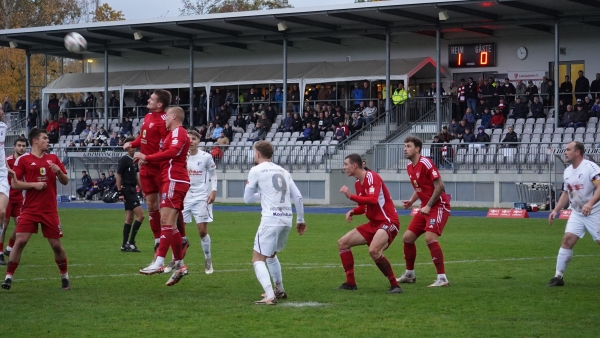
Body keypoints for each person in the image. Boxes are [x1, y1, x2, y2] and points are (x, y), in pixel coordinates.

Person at [2, 128, 70, 291]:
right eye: (45, 138)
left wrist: (59, 171)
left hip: (49, 210)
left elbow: (65, 181)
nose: (48, 141)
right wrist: (34, 185)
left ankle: (65, 276)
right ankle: (8, 277)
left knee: (55, 245)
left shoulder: (53, 158)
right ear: (35, 141)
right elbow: (15, 184)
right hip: (30, 209)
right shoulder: (23, 160)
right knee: (20, 242)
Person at [243, 140, 306, 305]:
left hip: (271, 219)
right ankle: (279, 289)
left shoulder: (256, 170)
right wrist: (301, 219)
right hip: (287, 218)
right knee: (271, 255)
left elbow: (247, 199)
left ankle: (270, 295)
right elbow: (298, 197)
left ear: (257, 153)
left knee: (257, 258)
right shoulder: (284, 171)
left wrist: (260, 195)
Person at [135, 107, 190, 287]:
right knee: (171, 224)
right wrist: (148, 158)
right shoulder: (172, 133)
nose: (164, 119)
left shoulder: (178, 132)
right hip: (171, 178)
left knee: (166, 221)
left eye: (167, 116)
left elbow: (173, 152)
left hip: (174, 179)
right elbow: (166, 154)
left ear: (174, 117)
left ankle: (159, 262)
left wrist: (148, 158)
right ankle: (180, 265)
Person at [337, 154, 402, 293]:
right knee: (343, 243)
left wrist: (350, 196)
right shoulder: (357, 183)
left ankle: (395, 285)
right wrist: (353, 211)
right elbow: (364, 206)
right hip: (374, 224)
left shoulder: (372, 177)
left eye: (346, 164)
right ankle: (350, 283)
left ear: (354, 166)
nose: (344, 167)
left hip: (388, 221)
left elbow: (373, 200)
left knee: (374, 251)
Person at [398, 136, 451, 288]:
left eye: (408, 146)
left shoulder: (426, 162)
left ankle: (442, 278)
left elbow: (440, 185)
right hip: (425, 207)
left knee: (430, 238)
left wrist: (428, 205)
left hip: (438, 206)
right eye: (405, 146)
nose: (405, 148)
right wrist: (411, 200)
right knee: (407, 238)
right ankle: (409, 274)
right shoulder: (410, 167)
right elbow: (419, 187)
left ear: (417, 148)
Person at [547, 141, 600, 287]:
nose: (565, 152)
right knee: (567, 240)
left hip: (595, 211)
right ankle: (558, 276)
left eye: (568, 149)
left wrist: (590, 203)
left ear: (577, 152)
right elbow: (566, 193)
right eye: (565, 150)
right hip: (577, 212)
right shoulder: (567, 171)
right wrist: (556, 210)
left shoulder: (590, 167)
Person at [124, 90, 170, 253]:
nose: (148, 100)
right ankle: (157, 240)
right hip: (145, 168)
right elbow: (143, 139)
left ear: (160, 104)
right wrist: (132, 144)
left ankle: (178, 237)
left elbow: (166, 146)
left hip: (160, 168)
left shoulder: (165, 120)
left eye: (152, 98)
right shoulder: (148, 117)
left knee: (167, 209)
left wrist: (148, 157)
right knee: (151, 205)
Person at [174, 130, 217, 275]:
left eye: (193, 139)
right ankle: (177, 260)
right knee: (178, 231)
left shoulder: (206, 157)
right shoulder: (181, 156)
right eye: (188, 139)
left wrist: (214, 191)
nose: (191, 141)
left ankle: (208, 259)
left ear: (198, 141)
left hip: (201, 197)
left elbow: (213, 174)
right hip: (184, 197)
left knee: (202, 231)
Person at [0, 138, 26, 265]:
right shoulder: (7, 161)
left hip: (19, 197)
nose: (22, 148)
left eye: (24, 146)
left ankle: (9, 248)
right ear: (14, 147)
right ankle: (0, 253)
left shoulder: (25, 161)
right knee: (4, 226)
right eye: (19, 145)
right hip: (7, 196)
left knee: (21, 225)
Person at [117, 136, 144, 253]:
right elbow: (118, 176)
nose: (131, 147)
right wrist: (120, 192)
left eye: (133, 144)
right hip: (127, 190)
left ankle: (124, 245)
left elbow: (136, 176)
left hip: (132, 190)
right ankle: (131, 242)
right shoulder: (124, 159)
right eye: (129, 145)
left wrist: (142, 189)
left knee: (129, 218)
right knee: (141, 216)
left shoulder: (134, 160)